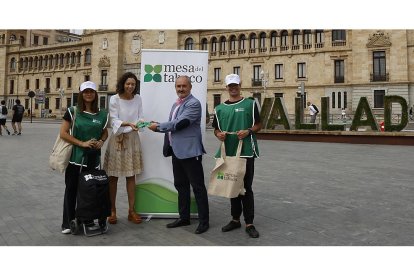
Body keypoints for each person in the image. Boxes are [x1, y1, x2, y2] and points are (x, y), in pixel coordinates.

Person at [148, 75, 210, 234]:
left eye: (184, 86)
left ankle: (204, 222)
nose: (181, 89)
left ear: (190, 87)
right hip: (177, 151)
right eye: (178, 86)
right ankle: (184, 217)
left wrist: (159, 126)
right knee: (181, 186)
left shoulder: (194, 103)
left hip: (190, 152)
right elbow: (174, 123)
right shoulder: (177, 103)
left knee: (198, 187)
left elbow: (181, 123)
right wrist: (158, 124)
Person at [212, 73, 261, 238]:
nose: (233, 88)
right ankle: (235, 219)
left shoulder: (250, 104)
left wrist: (248, 131)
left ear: (240, 85)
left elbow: (259, 125)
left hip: (246, 151)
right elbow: (216, 129)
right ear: (226, 87)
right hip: (228, 152)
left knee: (245, 187)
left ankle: (249, 222)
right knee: (232, 185)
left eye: (236, 85)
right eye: (230, 85)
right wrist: (218, 135)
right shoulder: (219, 109)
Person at [60, 81, 109, 234]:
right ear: (81, 94)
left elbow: (105, 131)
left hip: (93, 159)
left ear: (95, 94)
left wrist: (101, 141)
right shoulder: (73, 111)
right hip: (76, 158)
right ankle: (68, 223)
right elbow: (63, 133)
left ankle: (88, 219)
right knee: (72, 190)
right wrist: (82, 143)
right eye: (86, 91)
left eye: (91, 92)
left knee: (90, 191)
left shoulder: (103, 113)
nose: (89, 94)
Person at [103, 72, 145, 225]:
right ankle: (112, 210)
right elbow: (114, 119)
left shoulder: (138, 98)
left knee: (131, 176)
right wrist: (128, 124)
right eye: (128, 83)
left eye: (133, 84)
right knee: (113, 177)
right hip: (118, 139)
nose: (130, 86)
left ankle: (131, 211)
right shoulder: (114, 99)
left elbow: (141, 116)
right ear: (123, 83)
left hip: (133, 139)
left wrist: (141, 123)